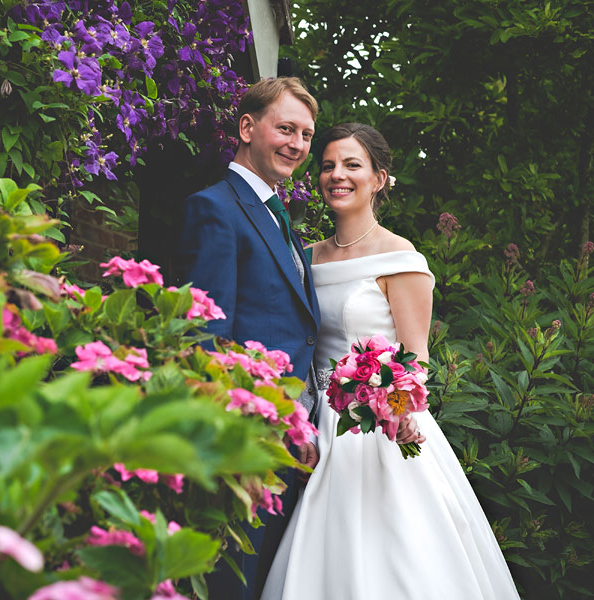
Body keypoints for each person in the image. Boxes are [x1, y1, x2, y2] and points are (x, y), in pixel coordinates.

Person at [260, 123, 521, 599]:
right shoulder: (305, 257)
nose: (337, 175)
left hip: (380, 427)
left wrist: (398, 410)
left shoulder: (401, 258)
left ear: (379, 179)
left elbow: (415, 356)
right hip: (314, 428)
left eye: (352, 165)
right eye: (328, 166)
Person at [176, 77, 322, 600]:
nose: (298, 145)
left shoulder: (280, 220)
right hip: (245, 443)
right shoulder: (215, 208)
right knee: (230, 583)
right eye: (286, 129)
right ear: (247, 127)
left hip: (287, 438)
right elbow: (206, 337)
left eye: (306, 135)